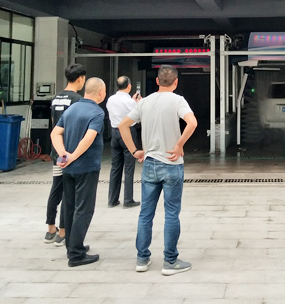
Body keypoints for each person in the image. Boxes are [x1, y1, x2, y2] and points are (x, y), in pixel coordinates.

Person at [118, 65, 197, 275]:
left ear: (157, 81)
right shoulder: (178, 101)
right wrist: (179, 145)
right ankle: (170, 261)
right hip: (172, 164)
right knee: (171, 214)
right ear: (176, 82)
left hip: (149, 163)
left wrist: (134, 151)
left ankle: (142, 259)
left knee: (145, 214)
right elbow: (192, 123)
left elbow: (123, 125)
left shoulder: (144, 102)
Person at [50, 77, 106, 267]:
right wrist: (73, 156)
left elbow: (55, 133)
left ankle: (72, 246)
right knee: (84, 209)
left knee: (70, 206)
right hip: (86, 167)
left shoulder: (71, 109)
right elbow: (89, 138)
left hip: (67, 168)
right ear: (101, 93)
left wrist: (63, 154)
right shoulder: (97, 112)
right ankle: (76, 254)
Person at [45, 63, 86, 246]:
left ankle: (50, 228)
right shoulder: (78, 100)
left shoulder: (56, 98)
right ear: (80, 79)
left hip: (57, 151)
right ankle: (62, 231)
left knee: (56, 188)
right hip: (69, 151)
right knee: (69, 192)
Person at [106, 76, 142, 208]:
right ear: (129, 86)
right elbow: (137, 117)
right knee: (129, 167)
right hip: (128, 132)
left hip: (115, 132)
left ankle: (112, 199)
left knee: (115, 167)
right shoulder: (130, 102)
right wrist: (138, 103)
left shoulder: (110, 99)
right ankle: (128, 199)